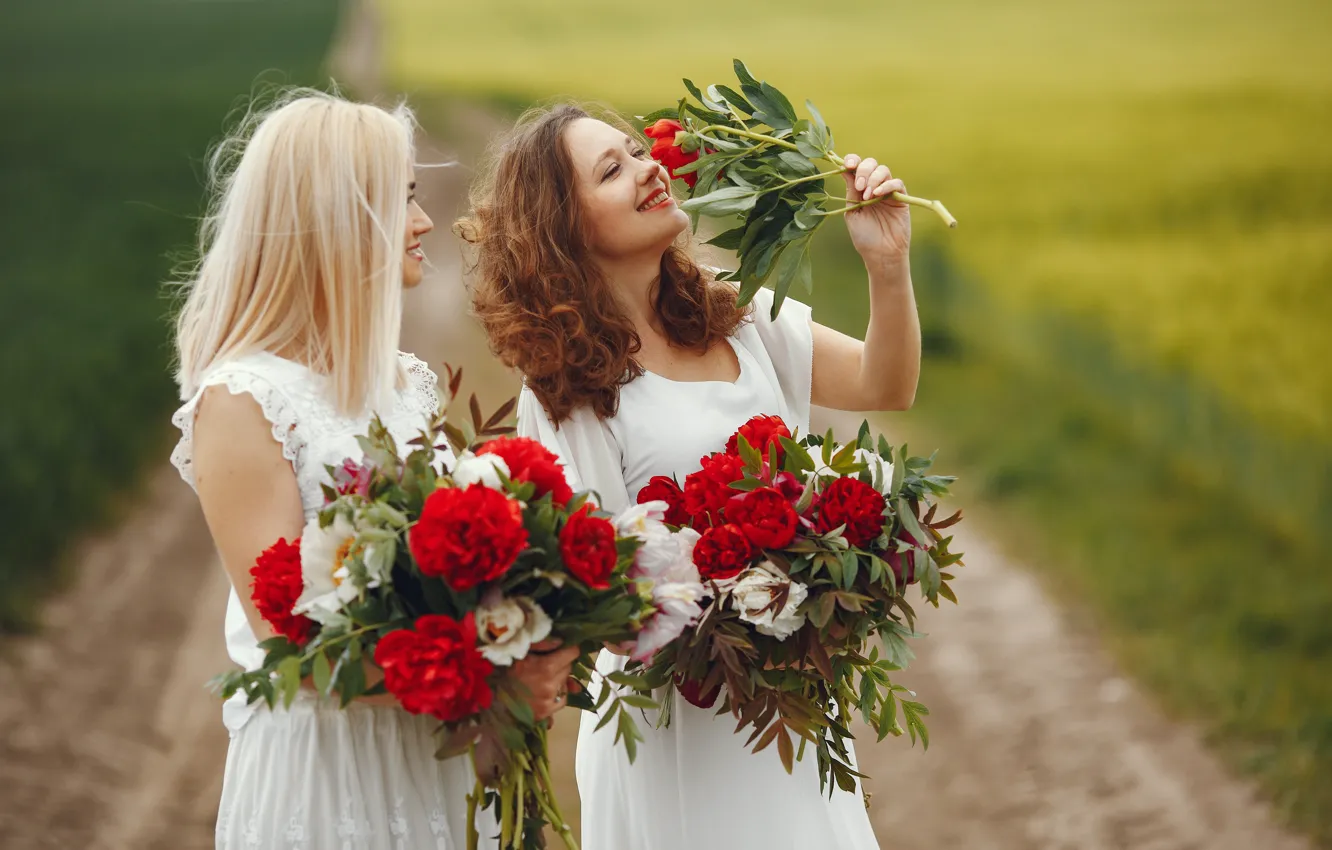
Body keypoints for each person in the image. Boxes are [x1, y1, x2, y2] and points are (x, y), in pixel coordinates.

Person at [462, 102, 919, 850]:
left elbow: (883, 384)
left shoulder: (733, 310)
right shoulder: (566, 387)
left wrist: (887, 264)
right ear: (563, 228)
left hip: (788, 704)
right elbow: (595, 598)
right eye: (613, 170)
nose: (649, 167)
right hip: (674, 722)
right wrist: (733, 583)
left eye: (638, 150)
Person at [170, 90, 577, 849]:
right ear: (335, 220)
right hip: (329, 774)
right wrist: (493, 677)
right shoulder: (244, 399)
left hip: (433, 759)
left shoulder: (405, 383)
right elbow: (294, 649)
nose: (424, 223)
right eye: (402, 202)